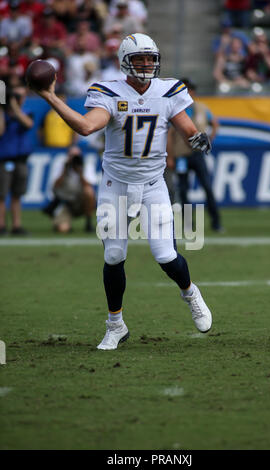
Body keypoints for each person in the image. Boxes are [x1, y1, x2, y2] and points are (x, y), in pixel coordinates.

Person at [29, 33, 213, 350]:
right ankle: (115, 324)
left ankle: (190, 293)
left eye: (150, 58)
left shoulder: (168, 89)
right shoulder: (109, 91)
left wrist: (197, 137)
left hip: (154, 183)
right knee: (114, 255)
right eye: (139, 59)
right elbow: (87, 127)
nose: (146, 64)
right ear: (125, 61)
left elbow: (186, 126)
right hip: (116, 184)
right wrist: (50, 96)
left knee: (166, 256)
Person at [167, 78, 223, 233]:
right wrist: (170, 157)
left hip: (197, 155)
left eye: (191, 90)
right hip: (181, 156)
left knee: (207, 187)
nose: (190, 93)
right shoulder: (174, 110)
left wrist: (210, 139)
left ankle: (216, 222)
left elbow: (215, 123)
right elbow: (169, 136)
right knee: (183, 190)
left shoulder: (201, 108)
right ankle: (188, 224)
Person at [0, 85, 34, 235]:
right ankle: (1, 225)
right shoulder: (2, 114)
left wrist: (14, 105)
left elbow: (28, 123)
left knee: (17, 194)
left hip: (21, 159)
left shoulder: (26, 112)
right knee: (1, 195)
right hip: (4, 159)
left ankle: (16, 225)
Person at [43, 145, 96, 234]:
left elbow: (89, 186)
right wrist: (64, 170)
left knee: (89, 192)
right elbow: (55, 187)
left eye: (76, 156)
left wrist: (80, 173)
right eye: (72, 156)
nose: (74, 159)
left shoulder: (86, 166)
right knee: (63, 229)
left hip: (81, 203)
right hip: (67, 204)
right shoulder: (61, 166)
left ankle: (88, 222)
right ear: (67, 157)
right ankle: (63, 222)